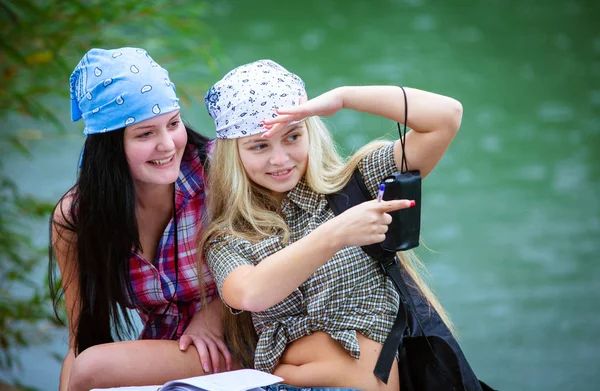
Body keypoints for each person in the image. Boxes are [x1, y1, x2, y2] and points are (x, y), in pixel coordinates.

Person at [199, 59, 463, 391]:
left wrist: (344, 98)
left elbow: (446, 118)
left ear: (310, 131)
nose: (280, 159)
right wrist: (335, 234)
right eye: (260, 146)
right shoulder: (228, 238)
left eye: (293, 136)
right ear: (233, 154)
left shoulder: (358, 184)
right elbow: (249, 293)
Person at [49, 47, 236, 391]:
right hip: (167, 354)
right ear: (109, 146)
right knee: (87, 366)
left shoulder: (222, 173)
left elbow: (280, 254)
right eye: (145, 134)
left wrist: (213, 316)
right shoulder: (77, 219)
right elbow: (81, 341)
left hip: (243, 337)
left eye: (173, 124)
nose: (167, 145)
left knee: (94, 367)